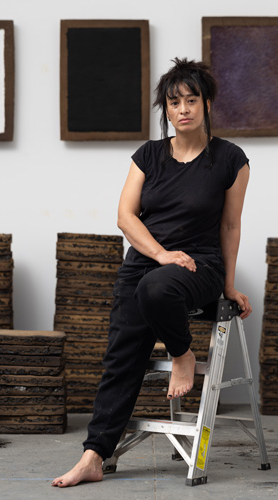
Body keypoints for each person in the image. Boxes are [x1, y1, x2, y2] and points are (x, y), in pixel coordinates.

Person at [51, 57, 252, 488]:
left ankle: (183, 354)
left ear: (207, 104)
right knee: (121, 355)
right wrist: (160, 253)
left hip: (200, 264)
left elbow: (230, 226)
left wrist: (230, 285)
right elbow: (125, 216)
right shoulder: (148, 155)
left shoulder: (231, 159)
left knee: (157, 289)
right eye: (174, 101)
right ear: (166, 109)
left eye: (192, 100)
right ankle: (93, 455)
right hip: (149, 259)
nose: (183, 109)